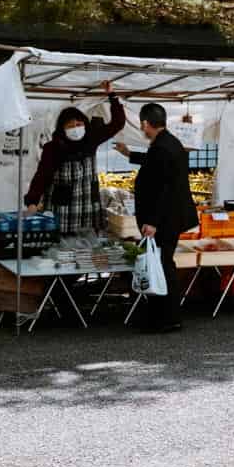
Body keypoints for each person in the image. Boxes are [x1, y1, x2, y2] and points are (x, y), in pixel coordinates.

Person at [131, 102, 201, 333]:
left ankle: (166, 317)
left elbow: (162, 189)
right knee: (164, 264)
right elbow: (156, 170)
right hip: (170, 217)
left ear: (145, 123)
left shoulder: (162, 147)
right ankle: (166, 316)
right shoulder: (169, 143)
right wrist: (129, 154)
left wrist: (152, 221)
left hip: (164, 219)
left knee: (162, 266)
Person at [23, 87, 126, 237]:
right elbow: (42, 176)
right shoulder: (53, 148)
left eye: (79, 124)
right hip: (62, 210)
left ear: (85, 124)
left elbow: (118, 123)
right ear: (62, 129)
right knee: (61, 249)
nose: (76, 128)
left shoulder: (91, 139)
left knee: (88, 248)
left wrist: (113, 96)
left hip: (89, 207)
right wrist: (32, 202)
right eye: (70, 126)